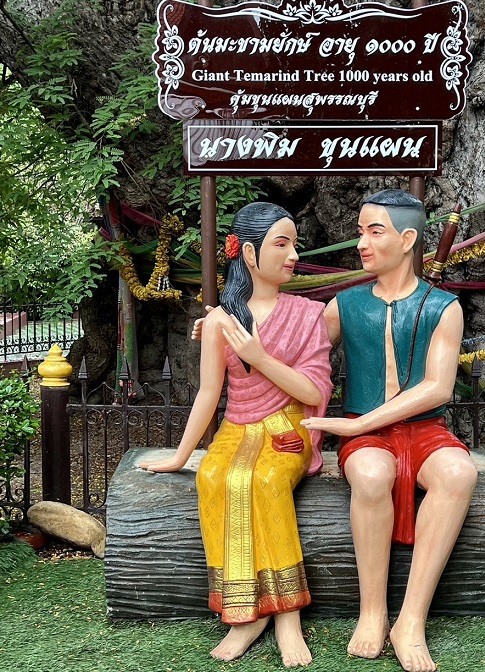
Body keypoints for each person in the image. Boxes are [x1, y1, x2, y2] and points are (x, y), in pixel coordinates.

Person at [141, 202, 332, 668]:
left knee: (265, 480)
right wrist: (180, 456)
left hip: (287, 425)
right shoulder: (220, 320)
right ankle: (244, 613)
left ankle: (287, 615)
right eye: (281, 244)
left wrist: (261, 357)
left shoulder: (308, 314)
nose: (293, 255)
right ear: (248, 252)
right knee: (214, 477)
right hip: (236, 426)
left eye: (294, 244)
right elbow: (209, 394)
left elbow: (313, 391)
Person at [300, 189, 478, 672]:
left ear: (407, 239)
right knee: (372, 473)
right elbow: (296, 350)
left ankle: (411, 620)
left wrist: (357, 422)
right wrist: (228, 329)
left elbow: (438, 388)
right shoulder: (345, 304)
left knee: (458, 473)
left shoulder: (444, 307)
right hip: (366, 438)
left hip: (422, 428)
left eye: (374, 232)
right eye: (360, 232)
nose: (361, 243)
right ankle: (373, 611)